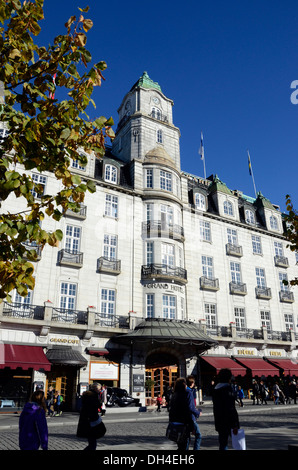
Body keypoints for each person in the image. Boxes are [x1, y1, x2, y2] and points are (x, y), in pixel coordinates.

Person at [169, 377, 201, 451]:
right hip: (184, 423)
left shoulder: (175, 394)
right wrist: (198, 413)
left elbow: (171, 410)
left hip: (175, 423)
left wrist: (171, 422)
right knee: (186, 443)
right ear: (184, 385)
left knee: (180, 445)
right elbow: (190, 408)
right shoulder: (187, 393)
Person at [212, 368, 240, 450]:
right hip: (229, 422)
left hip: (219, 420)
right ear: (229, 378)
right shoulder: (227, 389)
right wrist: (235, 424)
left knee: (223, 443)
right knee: (237, 444)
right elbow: (231, 408)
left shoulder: (215, 390)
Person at [77, 383, 104, 450]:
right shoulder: (92, 396)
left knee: (92, 443)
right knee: (92, 444)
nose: (100, 390)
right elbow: (92, 409)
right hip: (91, 421)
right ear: (95, 388)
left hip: (88, 421)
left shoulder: (89, 395)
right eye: (99, 389)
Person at [186, 375, 202, 450]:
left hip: (187, 417)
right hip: (191, 417)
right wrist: (198, 412)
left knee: (187, 437)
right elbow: (191, 407)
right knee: (198, 435)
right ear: (192, 383)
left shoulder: (186, 391)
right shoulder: (189, 392)